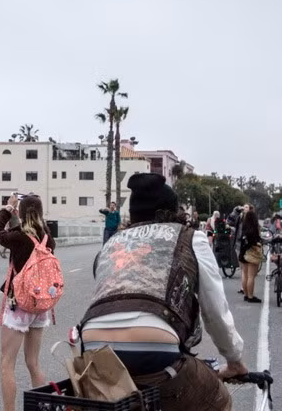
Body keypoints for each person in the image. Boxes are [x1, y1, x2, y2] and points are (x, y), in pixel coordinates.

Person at [80, 173, 246, 410]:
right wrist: (234, 360)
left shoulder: (112, 243)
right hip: (155, 348)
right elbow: (215, 311)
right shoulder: (191, 238)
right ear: (175, 210)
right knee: (217, 399)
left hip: (95, 348)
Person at [0, 194, 56, 411]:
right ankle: (42, 407)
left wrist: (8, 208)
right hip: (41, 304)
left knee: (7, 363)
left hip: (19, 304)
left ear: (21, 211)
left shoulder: (18, 237)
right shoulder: (48, 238)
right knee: (33, 363)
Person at [239, 208, 262, 303]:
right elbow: (255, 241)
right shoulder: (254, 229)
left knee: (245, 274)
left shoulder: (244, 228)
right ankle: (251, 296)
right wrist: (259, 244)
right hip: (251, 253)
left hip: (243, 252)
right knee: (251, 276)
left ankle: (245, 294)